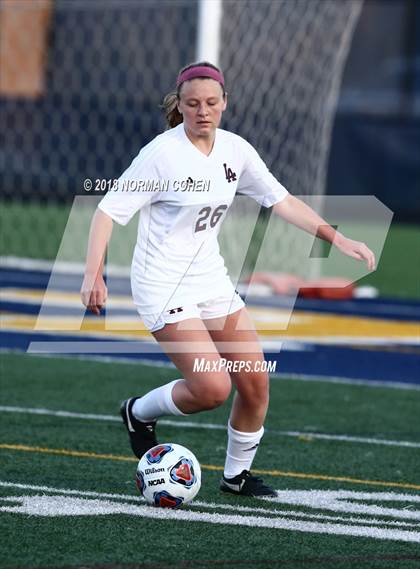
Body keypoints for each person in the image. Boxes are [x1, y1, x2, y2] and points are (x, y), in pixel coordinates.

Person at [81, 62, 375, 497]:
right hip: (163, 285)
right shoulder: (161, 155)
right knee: (212, 386)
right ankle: (139, 412)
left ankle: (235, 476)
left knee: (255, 383)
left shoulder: (236, 151)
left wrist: (336, 236)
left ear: (225, 104)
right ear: (178, 106)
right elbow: (107, 212)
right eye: (193, 104)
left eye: (212, 103)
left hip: (211, 281)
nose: (203, 111)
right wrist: (93, 274)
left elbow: (282, 201)